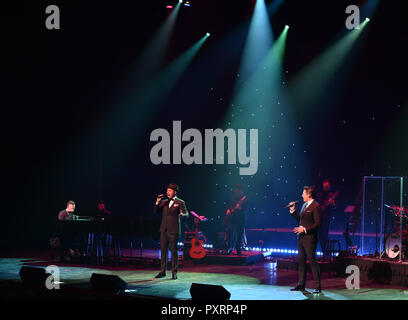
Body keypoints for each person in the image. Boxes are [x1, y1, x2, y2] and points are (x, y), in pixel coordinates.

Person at [288, 186, 322, 294]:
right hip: (301, 238)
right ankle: (301, 284)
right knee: (301, 262)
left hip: (310, 239)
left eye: (303, 193)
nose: (302, 195)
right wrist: (293, 211)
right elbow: (301, 219)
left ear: (309, 194)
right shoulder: (304, 205)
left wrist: (305, 229)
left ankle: (318, 286)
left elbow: (318, 223)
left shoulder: (316, 206)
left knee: (312, 262)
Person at [154, 183, 189, 280]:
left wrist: (183, 215)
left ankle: (174, 272)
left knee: (174, 252)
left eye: (170, 191)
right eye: (167, 190)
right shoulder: (164, 202)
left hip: (174, 230)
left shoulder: (180, 202)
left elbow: (186, 213)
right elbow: (156, 211)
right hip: (163, 230)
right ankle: (162, 271)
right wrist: (157, 202)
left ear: (175, 192)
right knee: (163, 251)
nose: (167, 192)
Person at [224, 184, 247, 255]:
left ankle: (238, 248)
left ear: (240, 190)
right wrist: (228, 210)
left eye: (236, 189)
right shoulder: (233, 197)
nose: (235, 191)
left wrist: (241, 209)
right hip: (232, 218)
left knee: (239, 235)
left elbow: (246, 210)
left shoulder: (245, 198)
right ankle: (229, 247)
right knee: (230, 233)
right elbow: (228, 205)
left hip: (240, 218)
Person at [317, 180, 337, 255]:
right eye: (324, 186)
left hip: (326, 217)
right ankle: (324, 252)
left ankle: (327, 253)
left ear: (329, 186)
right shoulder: (320, 194)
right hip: (319, 217)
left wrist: (332, 203)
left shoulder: (331, 194)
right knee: (320, 235)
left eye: (327, 186)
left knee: (325, 234)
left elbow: (334, 207)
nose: (325, 187)